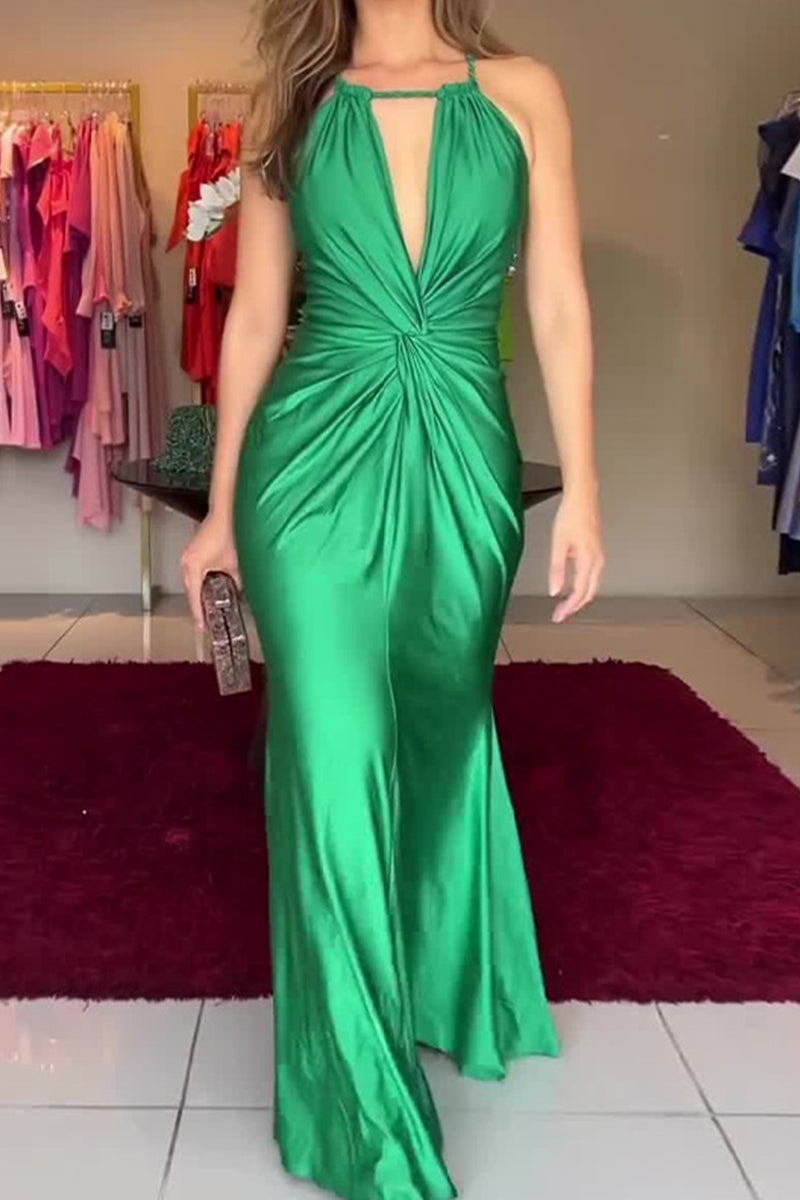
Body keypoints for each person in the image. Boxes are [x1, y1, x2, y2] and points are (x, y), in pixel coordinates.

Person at [181, 1, 603, 1195]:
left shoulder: (521, 92)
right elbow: (256, 318)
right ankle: (361, 1115)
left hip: (462, 455)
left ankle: (443, 981)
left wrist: (582, 487)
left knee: (440, 727)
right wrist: (219, 512)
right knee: (329, 755)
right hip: (309, 464)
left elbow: (556, 299)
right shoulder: (293, 103)